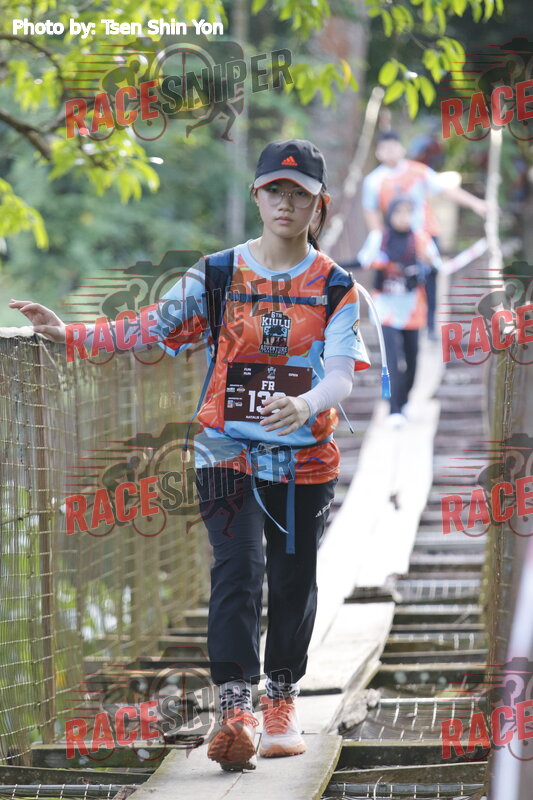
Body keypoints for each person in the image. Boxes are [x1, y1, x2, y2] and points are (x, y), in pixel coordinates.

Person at [9, 138, 371, 771]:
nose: (286, 203)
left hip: (304, 459)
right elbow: (151, 325)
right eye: (275, 190)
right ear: (257, 196)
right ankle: (236, 709)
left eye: (300, 194)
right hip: (225, 452)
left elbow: (341, 375)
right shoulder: (217, 274)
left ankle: (280, 702)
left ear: (320, 205)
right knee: (237, 569)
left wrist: (305, 403)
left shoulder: (337, 287)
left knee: (293, 578)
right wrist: (71, 335)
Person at [362, 130, 487, 339]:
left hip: (426, 233)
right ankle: (400, 324)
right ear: (378, 152)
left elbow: (446, 190)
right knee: (401, 279)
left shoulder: (418, 171)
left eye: (394, 147)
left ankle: (430, 326)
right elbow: (371, 211)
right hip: (398, 238)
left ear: (402, 149)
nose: (390, 152)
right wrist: (378, 241)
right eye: (385, 148)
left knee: (430, 278)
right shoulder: (373, 181)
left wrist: (476, 204)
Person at [358, 197, 439, 426]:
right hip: (385, 309)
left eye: (408, 213)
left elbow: (437, 266)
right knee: (392, 358)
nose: (403, 218)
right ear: (390, 215)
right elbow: (364, 260)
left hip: (412, 309)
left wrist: (426, 262)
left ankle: (404, 400)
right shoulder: (379, 238)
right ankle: (394, 409)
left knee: (412, 359)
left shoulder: (420, 239)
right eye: (398, 213)